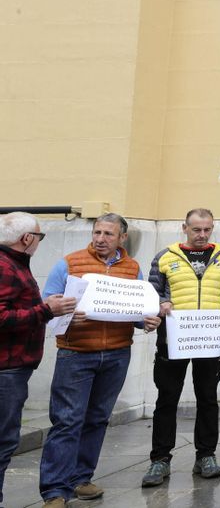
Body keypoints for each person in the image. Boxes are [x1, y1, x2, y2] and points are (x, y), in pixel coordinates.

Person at [39, 214, 161, 506]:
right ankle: (55, 491)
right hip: (76, 354)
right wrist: (67, 313)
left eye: (108, 233)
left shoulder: (133, 269)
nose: (100, 238)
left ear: (122, 238)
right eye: (97, 232)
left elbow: (135, 310)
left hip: (117, 354)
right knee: (67, 421)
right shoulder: (69, 263)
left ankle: (81, 479)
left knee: (97, 419)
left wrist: (146, 320)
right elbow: (46, 306)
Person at [141, 208, 220, 487]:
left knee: (208, 399)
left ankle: (206, 456)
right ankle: (160, 460)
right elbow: (152, 292)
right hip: (172, 339)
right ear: (184, 228)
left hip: (210, 341)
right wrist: (161, 303)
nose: (202, 235)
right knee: (167, 399)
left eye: (207, 230)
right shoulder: (165, 256)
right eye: (196, 230)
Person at [0, 212, 74, 508]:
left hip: (11, 367)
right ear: (27, 239)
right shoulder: (5, 267)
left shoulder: (12, 263)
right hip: (6, 369)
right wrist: (46, 310)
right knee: (3, 441)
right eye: (39, 237)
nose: (39, 243)